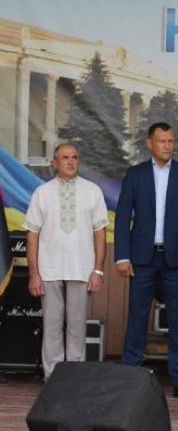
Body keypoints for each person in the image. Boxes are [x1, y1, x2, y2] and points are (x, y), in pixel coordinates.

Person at [115, 122, 178, 401]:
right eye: (162, 141)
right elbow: (122, 217)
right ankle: (130, 376)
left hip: (176, 258)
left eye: (171, 141)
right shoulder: (135, 174)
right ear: (149, 143)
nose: (168, 145)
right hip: (142, 258)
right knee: (137, 317)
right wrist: (122, 256)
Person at [24, 143, 108, 381]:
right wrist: (34, 273)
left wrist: (98, 271)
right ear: (55, 163)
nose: (71, 161)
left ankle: (73, 379)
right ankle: (53, 378)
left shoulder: (92, 191)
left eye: (74, 157)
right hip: (48, 269)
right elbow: (32, 235)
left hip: (81, 268)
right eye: (65, 157)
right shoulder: (42, 192)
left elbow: (100, 233)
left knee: (77, 327)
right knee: (51, 326)